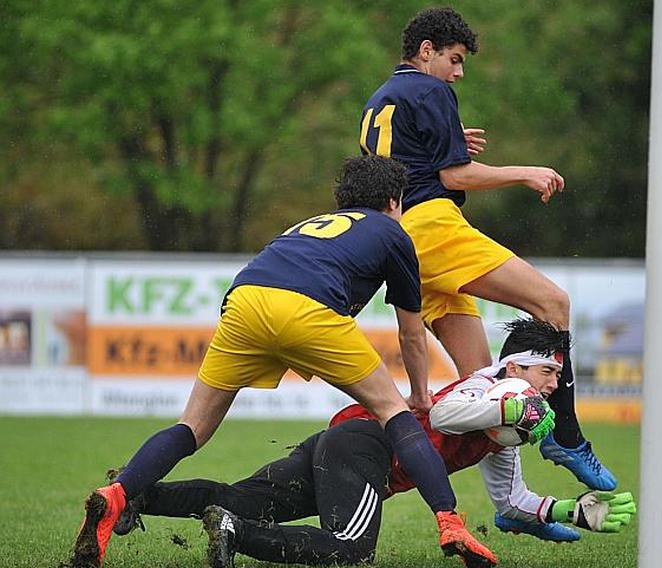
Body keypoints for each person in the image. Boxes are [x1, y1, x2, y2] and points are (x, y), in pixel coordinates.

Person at [68, 156, 494, 568]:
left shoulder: (309, 225)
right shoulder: (392, 231)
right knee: (394, 413)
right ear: (394, 201)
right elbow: (411, 332)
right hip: (307, 308)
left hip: (243, 300)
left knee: (192, 427)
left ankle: (119, 493)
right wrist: (420, 395)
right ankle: (450, 522)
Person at [108, 319, 637, 567]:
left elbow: (511, 502)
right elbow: (448, 410)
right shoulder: (495, 387)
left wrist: (570, 509)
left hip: (341, 443)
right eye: (546, 371)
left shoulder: (506, 432)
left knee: (241, 495)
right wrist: (513, 403)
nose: (551, 384)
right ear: (515, 366)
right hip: (364, 449)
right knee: (350, 550)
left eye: (555, 376)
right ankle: (234, 534)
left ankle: (134, 497)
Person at [359, 6, 615, 491]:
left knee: (481, 383)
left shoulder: (380, 97)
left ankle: (512, 501)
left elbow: (408, 164)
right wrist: (525, 172)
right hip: (432, 227)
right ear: (426, 51)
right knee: (552, 303)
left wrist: (449, 145)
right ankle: (566, 435)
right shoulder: (431, 88)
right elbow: (454, 177)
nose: (457, 74)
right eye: (454, 60)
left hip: (401, 244)